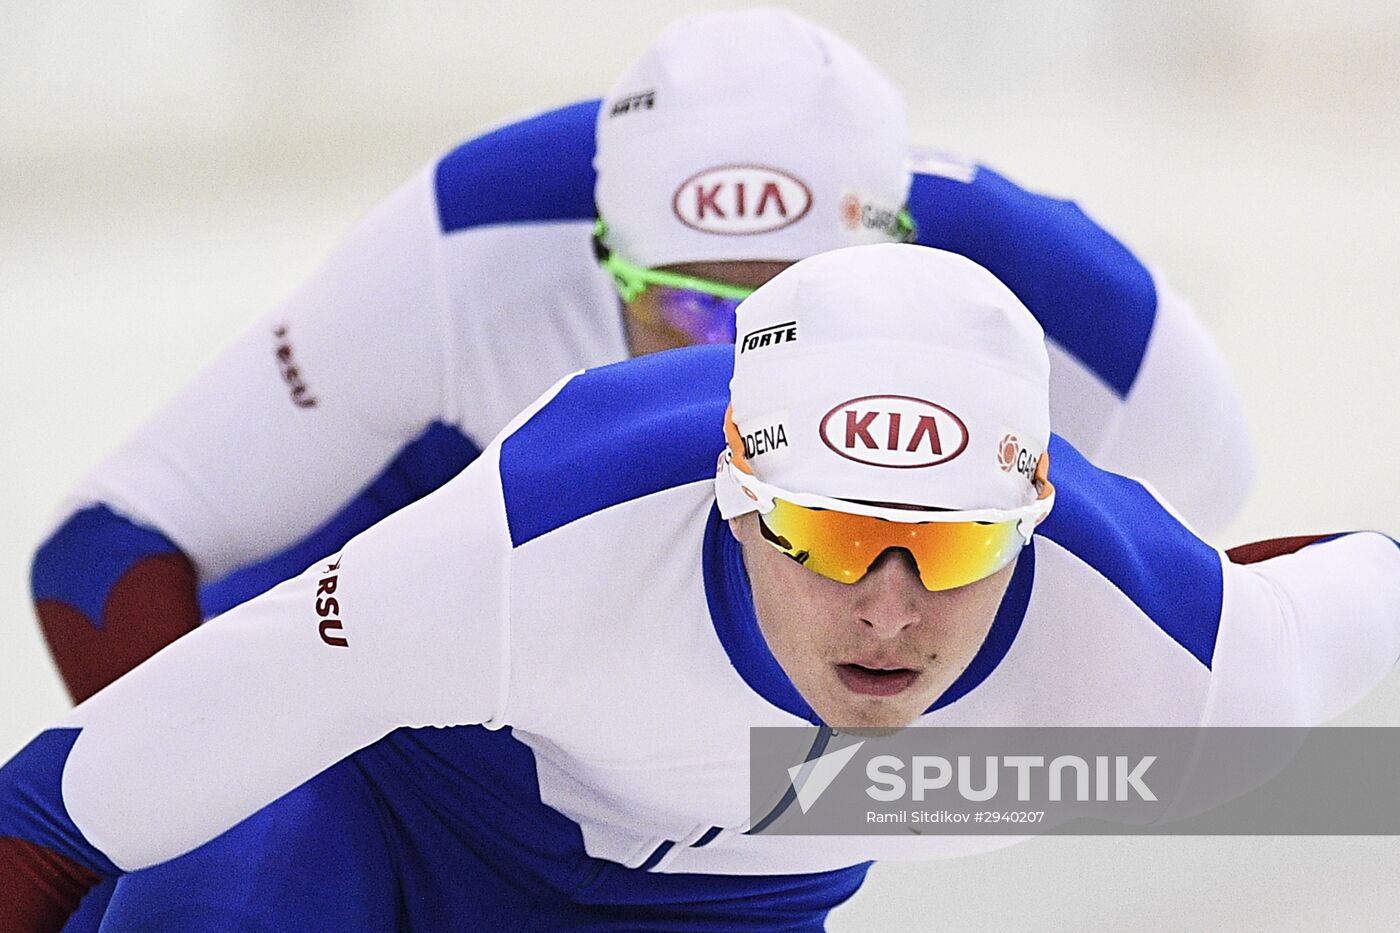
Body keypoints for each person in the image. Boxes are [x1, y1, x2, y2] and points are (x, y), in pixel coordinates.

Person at [1, 244, 1396, 931]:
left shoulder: (1181, 667)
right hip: (400, 797)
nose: (895, 614)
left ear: (1033, 519)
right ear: (736, 497)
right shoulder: (537, 540)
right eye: (840, 536)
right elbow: (61, 805)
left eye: (961, 546)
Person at [30, 9, 1254, 707]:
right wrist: (198, 796)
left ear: (900, 253)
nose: (736, 356)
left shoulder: (1090, 330)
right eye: (684, 306)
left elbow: (1192, 614)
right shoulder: (469, 247)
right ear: (600, 248)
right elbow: (102, 554)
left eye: (792, 308)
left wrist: (816, 776)